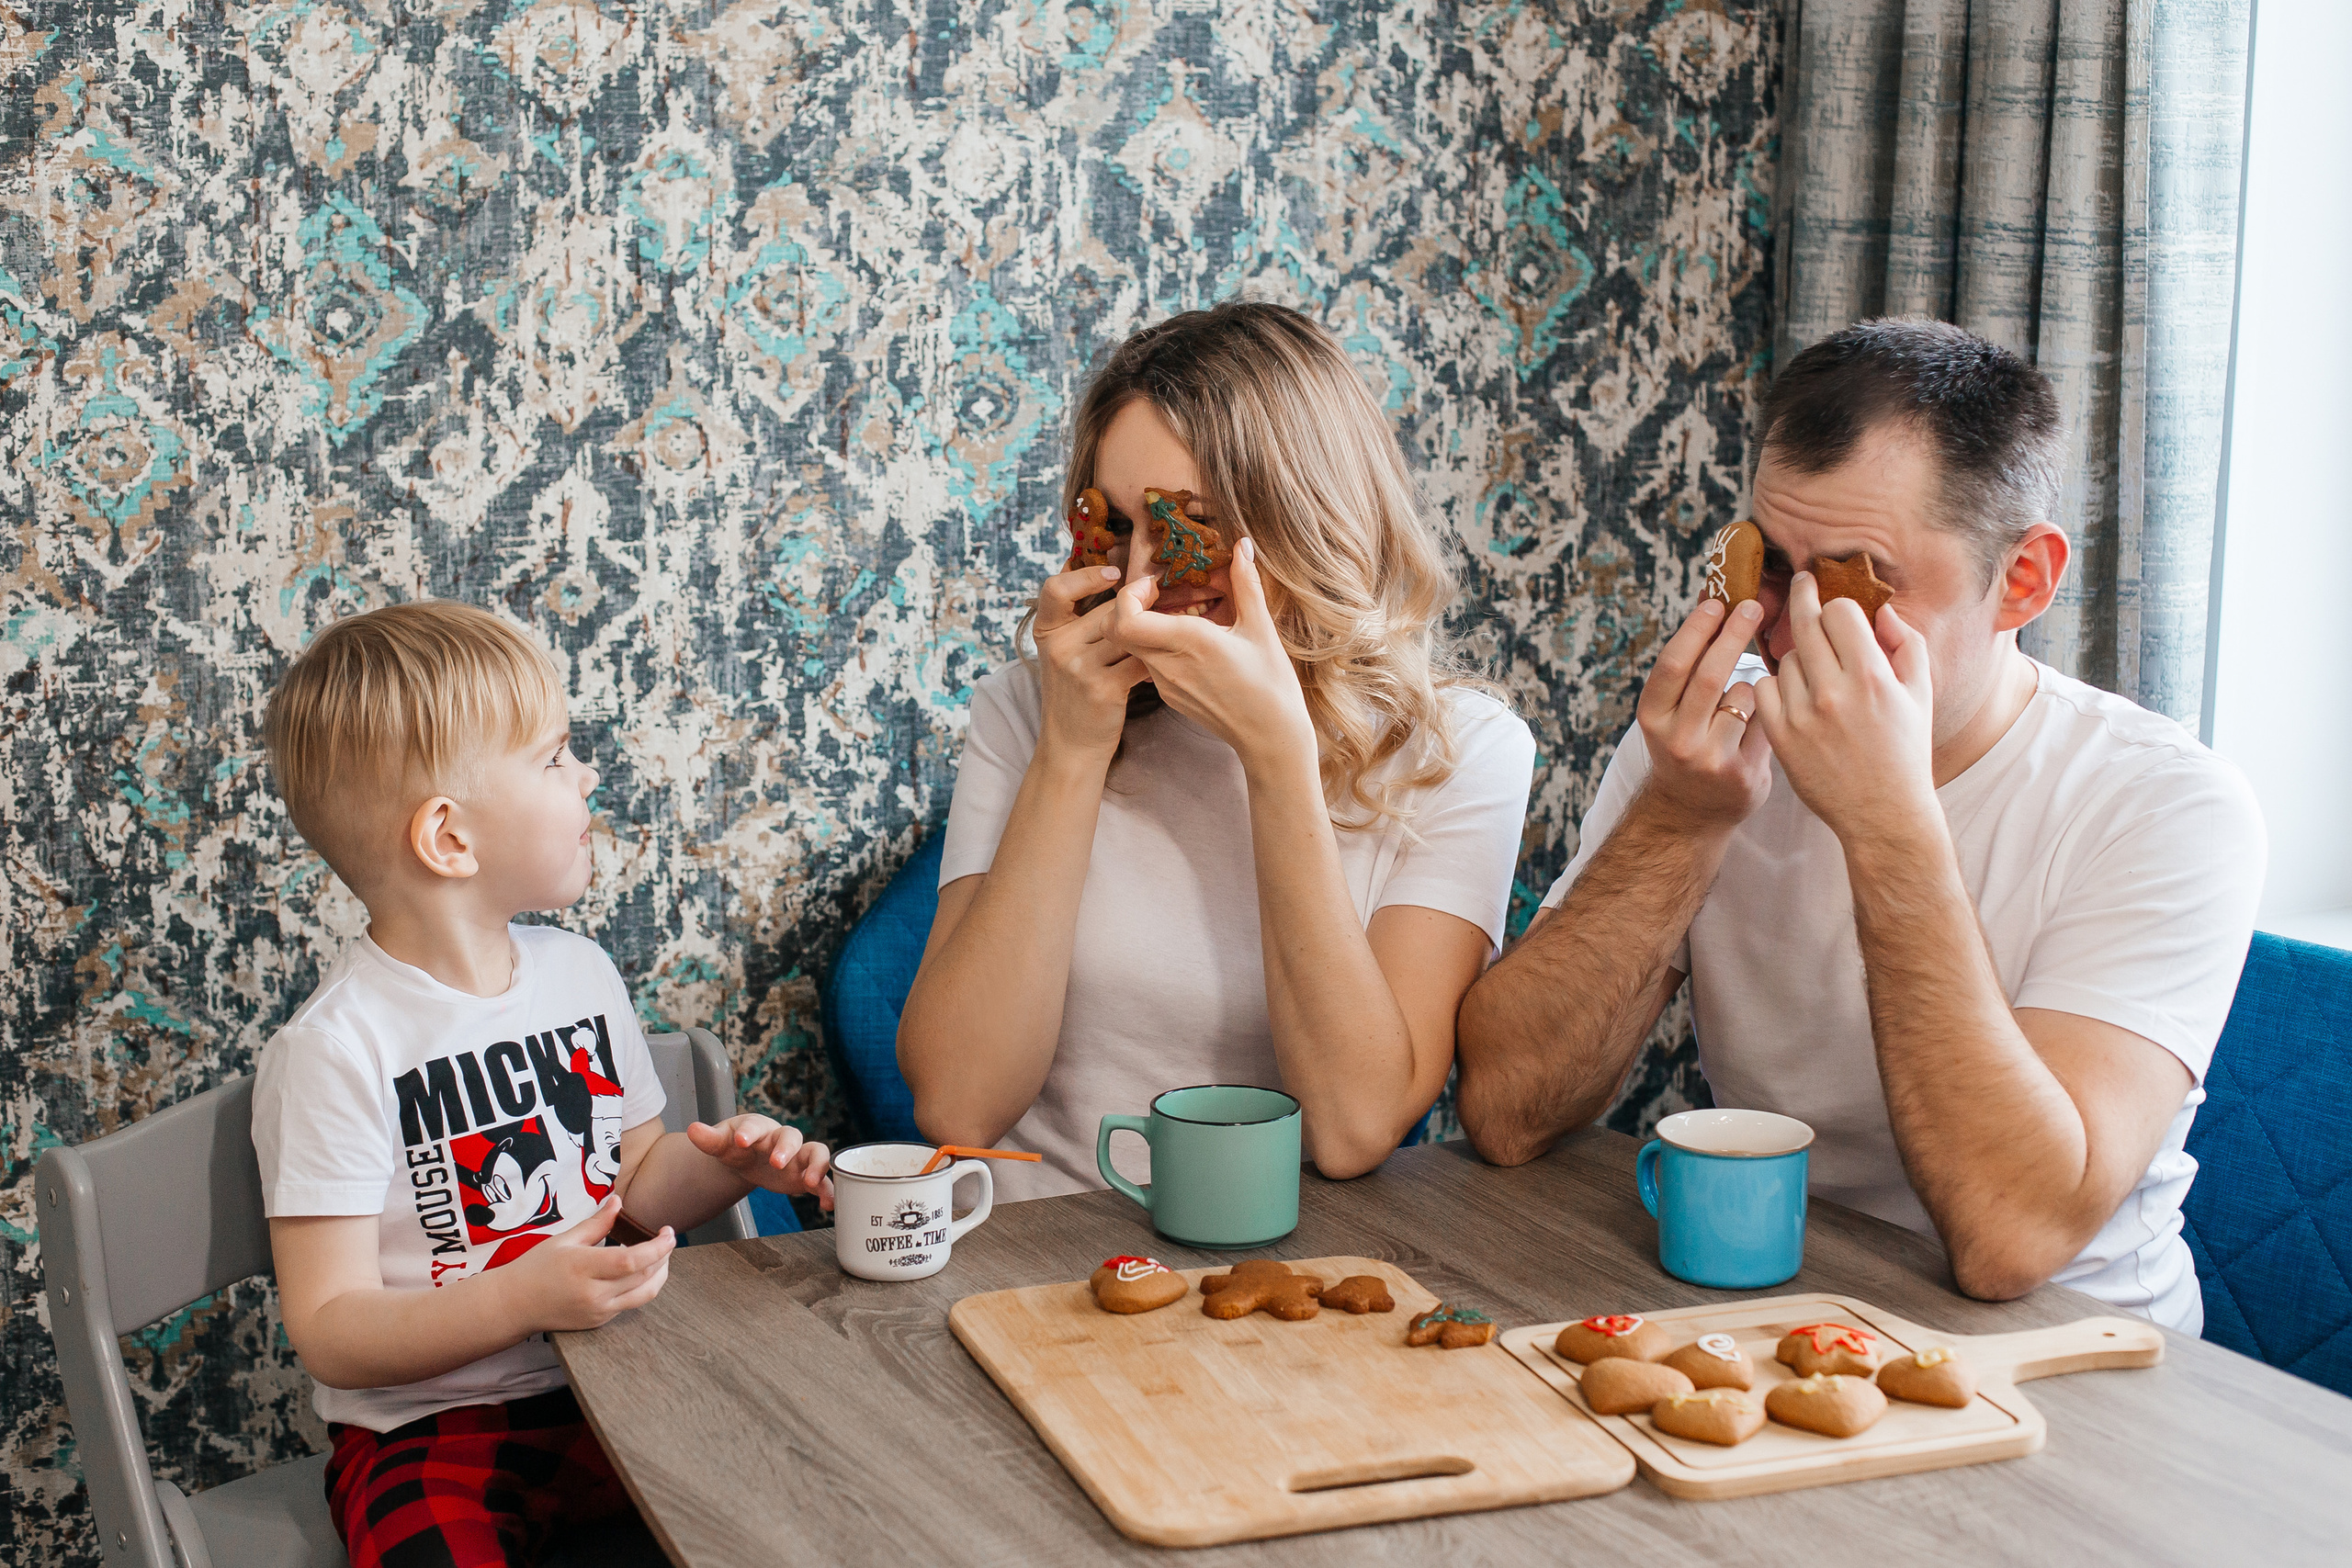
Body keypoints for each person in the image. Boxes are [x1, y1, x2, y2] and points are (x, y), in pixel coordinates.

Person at [1453, 318, 2264, 1331]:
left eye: (1854, 582)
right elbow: (1505, 1111)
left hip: (2077, 1353)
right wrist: (1677, 821)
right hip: (1786, 1304)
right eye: (1770, 571)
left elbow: (2012, 1237)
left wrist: (1888, 827)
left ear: (2021, 581)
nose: (1785, 634)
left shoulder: (2166, 805)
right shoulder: (1710, 740)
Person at [899, 301, 1535, 1201]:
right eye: (1115, 527)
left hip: (1291, 1263)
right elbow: (957, 1105)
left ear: (1300, 526)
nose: (1138, 592)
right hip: (1036, 1252)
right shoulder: (1025, 708)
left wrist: (1277, 760)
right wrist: (1073, 750)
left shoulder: (1459, 750)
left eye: (1186, 531)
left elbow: (1354, 1128)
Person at [252, 601, 834, 1568]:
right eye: (556, 757)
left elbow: (635, 1187)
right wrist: (520, 1299)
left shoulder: (579, 974)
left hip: (622, 1376)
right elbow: (331, 1331)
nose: (589, 774)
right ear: (449, 838)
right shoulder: (335, 1050)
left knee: (798, 1493)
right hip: (435, 1429)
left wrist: (725, 1167)